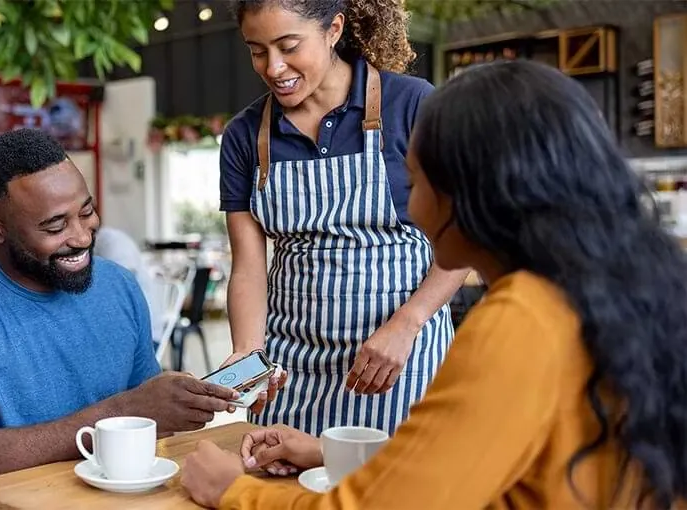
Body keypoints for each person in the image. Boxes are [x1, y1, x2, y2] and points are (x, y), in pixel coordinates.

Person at [179, 60, 687, 509]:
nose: (411, 212)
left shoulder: (520, 319)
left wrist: (232, 491)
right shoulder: (588, 292)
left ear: (476, 194)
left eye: (417, 183)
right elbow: (473, 456)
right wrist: (323, 450)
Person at [0, 129, 240, 509]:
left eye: (87, 212)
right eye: (55, 226)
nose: (81, 237)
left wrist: (187, 401)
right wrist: (124, 411)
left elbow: (148, 423)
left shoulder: (118, 285)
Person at [218, 0, 467, 435]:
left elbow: (466, 234)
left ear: (334, 29)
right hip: (290, 371)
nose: (273, 67)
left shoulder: (411, 105)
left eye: (288, 46)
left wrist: (407, 324)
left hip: (398, 360)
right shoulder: (245, 135)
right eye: (257, 50)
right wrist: (247, 352)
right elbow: (249, 266)